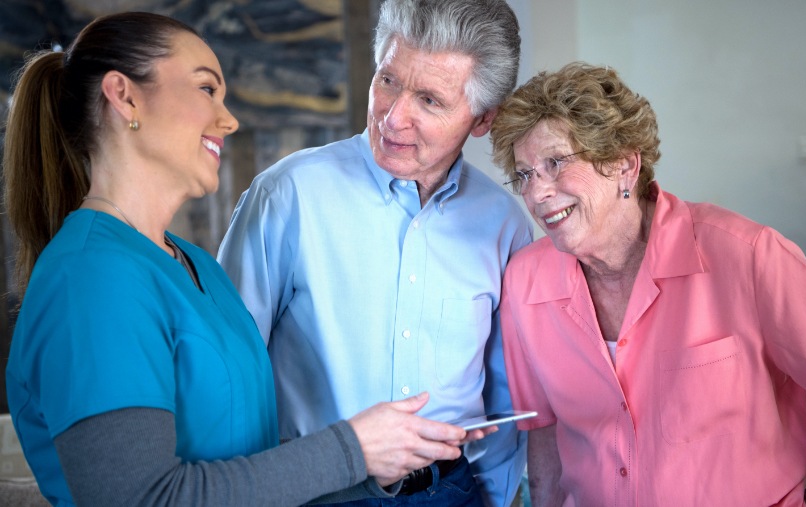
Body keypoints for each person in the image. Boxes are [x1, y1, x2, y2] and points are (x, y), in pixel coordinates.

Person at [3, 12, 487, 507]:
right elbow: (142, 498)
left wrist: (377, 471)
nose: (229, 119)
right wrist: (353, 449)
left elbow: (249, 464)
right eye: (206, 89)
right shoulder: (91, 279)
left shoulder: (194, 264)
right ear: (124, 96)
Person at [489, 61, 806, 506]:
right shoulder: (526, 283)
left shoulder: (743, 256)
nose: (537, 193)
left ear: (624, 164)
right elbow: (544, 431)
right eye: (525, 175)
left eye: (555, 163)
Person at [216, 0, 532, 505]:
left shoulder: (504, 224)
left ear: (482, 119)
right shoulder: (288, 195)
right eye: (388, 80)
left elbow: (505, 397)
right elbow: (225, 378)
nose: (394, 115)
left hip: (453, 492)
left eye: (429, 100)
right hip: (316, 493)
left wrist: (491, 499)